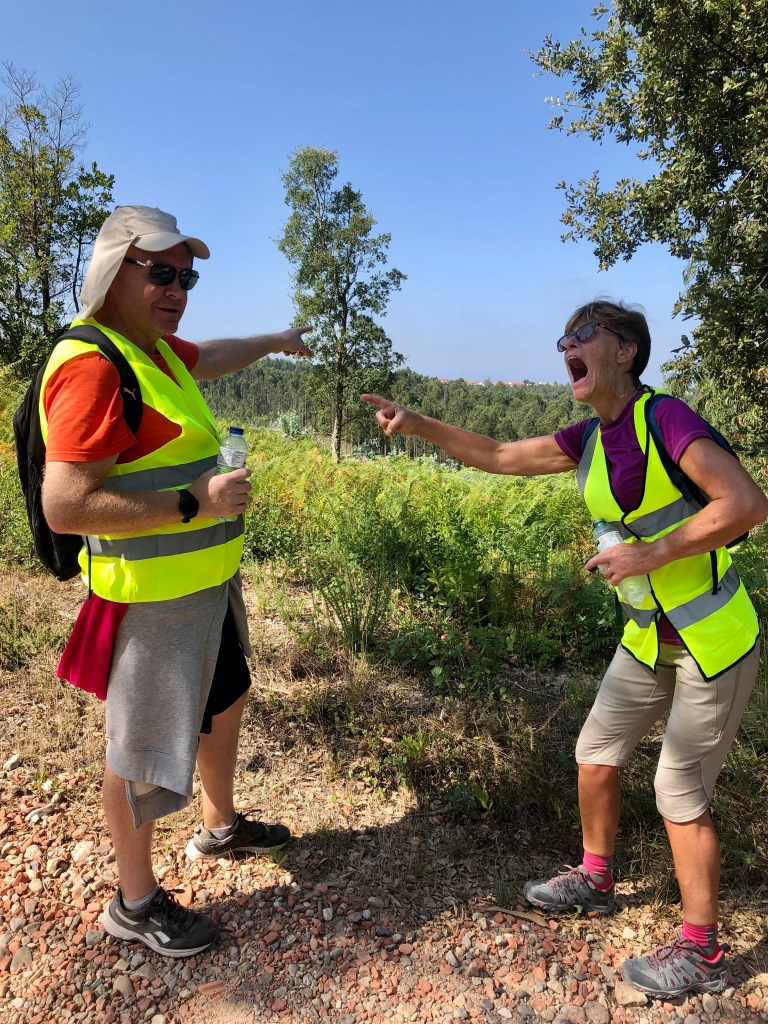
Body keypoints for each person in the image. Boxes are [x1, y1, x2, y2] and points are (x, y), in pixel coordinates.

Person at [363, 299, 767, 999]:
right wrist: (419, 423)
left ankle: (703, 953)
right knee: (595, 753)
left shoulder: (667, 420)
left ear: (627, 351)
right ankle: (596, 879)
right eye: (564, 339)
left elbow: (746, 504)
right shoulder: (588, 438)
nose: (567, 346)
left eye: (584, 334)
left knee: (677, 790)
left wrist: (650, 553)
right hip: (647, 637)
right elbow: (498, 455)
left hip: (713, 641)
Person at [41, 205, 313, 958]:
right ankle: (134, 903)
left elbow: (212, 355)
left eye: (186, 278)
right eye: (160, 272)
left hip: (204, 585)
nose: (176, 290)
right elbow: (66, 504)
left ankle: (220, 827)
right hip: (151, 601)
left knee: (225, 700)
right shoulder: (95, 366)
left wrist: (276, 340)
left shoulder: (151, 350)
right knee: (141, 754)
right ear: (113, 271)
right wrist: (197, 502)